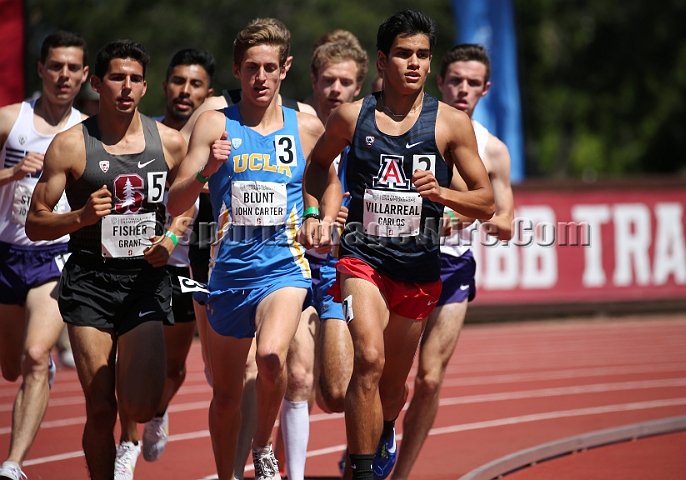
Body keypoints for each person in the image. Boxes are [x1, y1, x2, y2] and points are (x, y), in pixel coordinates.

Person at [300, 10, 495, 480]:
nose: (415, 63)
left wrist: (442, 193)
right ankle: (363, 469)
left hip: (418, 268)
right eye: (404, 54)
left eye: (423, 55)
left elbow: (486, 202)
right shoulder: (351, 117)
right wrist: (313, 214)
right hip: (362, 260)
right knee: (367, 358)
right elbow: (316, 165)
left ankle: (385, 426)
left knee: (392, 387)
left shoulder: (450, 125)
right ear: (383, 62)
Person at [166, 18, 339, 480]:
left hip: (283, 267)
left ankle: (264, 447)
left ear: (285, 68)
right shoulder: (213, 124)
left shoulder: (305, 127)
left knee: (269, 357)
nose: (260, 78)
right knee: (225, 397)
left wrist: (320, 219)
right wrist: (206, 174)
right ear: (238, 71)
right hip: (227, 274)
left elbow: (329, 181)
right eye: (250, 69)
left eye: (269, 68)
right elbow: (174, 201)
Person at [25, 39, 187, 480]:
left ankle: (149, 418)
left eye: (135, 78)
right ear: (96, 83)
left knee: (140, 402)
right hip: (90, 282)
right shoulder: (70, 146)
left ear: (145, 86)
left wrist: (171, 237)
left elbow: (186, 203)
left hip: (145, 280)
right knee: (100, 408)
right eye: (117, 77)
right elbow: (34, 223)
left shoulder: (170, 143)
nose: (127, 87)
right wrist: (78, 216)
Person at [390, 43, 514, 480]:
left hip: (453, 267)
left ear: (486, 89)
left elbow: (505, 220)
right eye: (455, 80)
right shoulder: (407, 126)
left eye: (472, 83)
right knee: (383, 372)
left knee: (428, 378)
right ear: (439, 81)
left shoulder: (493, 149)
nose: (463, 89)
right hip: (399, 262)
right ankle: (373, 438)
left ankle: (401, 473)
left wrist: (463, 216)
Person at [114, 48, 215, 479]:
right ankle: (127, 442)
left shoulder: (213, 138)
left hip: (188, 264)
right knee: (132, 360)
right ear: (164, 85)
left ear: (207, 93)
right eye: (178, 81)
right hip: (141, 262)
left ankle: (157, 410)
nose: (185, 91)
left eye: (195, 84)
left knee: (172, 366)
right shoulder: (144, 134)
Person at [273, 31, 368, 480]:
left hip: (341, 267)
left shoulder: (369, 132)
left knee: (333, 393)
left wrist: (357, 216)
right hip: (288, 262)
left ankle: (373, 432)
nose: (336, 89)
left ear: (359, 86)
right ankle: (278, 465)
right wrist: (312, 210)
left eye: (346, 82)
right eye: (328, 80)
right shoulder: (292, 125)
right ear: (312, 79)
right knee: (293, 376)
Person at [0, 30, 89, 480]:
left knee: (36, 355)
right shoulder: (11, 119)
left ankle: (13, 465)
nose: (64, 76)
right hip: (5, 254)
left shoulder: (85, 132)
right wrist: (12, 173)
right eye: (56, 66)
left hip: (53, 257)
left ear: (85, 75)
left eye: (73, 68)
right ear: (41, 70)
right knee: (11, 366)